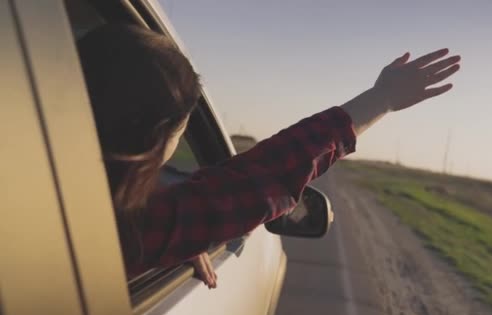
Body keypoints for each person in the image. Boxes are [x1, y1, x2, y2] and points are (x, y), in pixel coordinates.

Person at [77, 24, 461, 288]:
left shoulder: (39, 199)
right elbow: (266, 176)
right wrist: (383, 100)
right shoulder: (135, 229)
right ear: (157, 139)